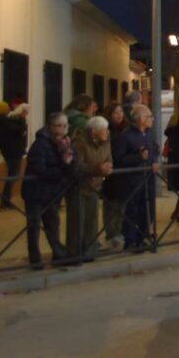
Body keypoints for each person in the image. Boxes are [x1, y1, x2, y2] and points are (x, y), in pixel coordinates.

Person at [22, 112, 76, 269]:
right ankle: (35, 259)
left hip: (53, 193)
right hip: (36, 192)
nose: (64, 129)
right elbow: (39, 170)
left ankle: (58, 255)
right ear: (50, 127)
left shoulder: (66, 144)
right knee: (34, 226)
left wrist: (68, 164)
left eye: (66, 125)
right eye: (60, 125)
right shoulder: (40, 145)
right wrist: (62, 168)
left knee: (53, 225)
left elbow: (73, 166)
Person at [66, 116, 112, 262]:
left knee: (92, 221)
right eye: (103, 130)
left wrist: (108, 167)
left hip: (95, 186)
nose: (106, 132)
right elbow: (78, 166)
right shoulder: (79, 143)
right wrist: (98, 168)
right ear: (93, 131)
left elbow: (109, 159)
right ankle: (75, 254)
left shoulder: (105, 142)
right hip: (79, 186)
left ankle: (90, 252)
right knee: (77, 221)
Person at [115, 104, 158, 252]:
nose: (152, 119)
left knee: (147, 210)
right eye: (149, 116)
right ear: (140, 119)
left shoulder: (149, 133)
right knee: (133, 210)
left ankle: (143, 237)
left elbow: (153, 150)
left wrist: (154, 162)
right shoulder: (126, 136)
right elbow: (120, 159)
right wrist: (137, 157)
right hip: (133, 180)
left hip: (148, 178)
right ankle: (130, 240)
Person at [0, 101, 28, 209]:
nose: (9, 110)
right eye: (7, 108)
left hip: (9, 151)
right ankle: (5, 201)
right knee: (13, 176)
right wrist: (22, 118)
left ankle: (5, 201)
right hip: (13, 151)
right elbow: (20, 129)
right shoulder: (4, 121)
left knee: (13, 175)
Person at [101, 102, 127, 249]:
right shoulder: (107, 130)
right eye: (116, 112)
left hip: (123, 172)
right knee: (111, 204)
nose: (119, 115)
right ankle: (111, 233)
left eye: (121, 112)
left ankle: (119, 230)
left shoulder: (125, 129)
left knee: (122, 203)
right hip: (111, 171)